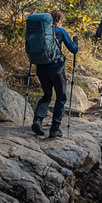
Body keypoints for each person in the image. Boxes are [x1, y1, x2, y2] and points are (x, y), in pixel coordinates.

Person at [32, 10, 78, 138]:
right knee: (61, 97)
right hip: (56, 68)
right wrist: (76, 43)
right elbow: (73, 49)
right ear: (59, 20)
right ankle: (55, 129)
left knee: (46, 96)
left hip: (41, 68)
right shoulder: (61, 31)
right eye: (62, 21)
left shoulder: (40, 31)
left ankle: (37, 120)